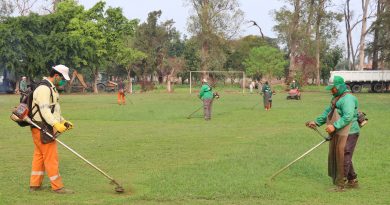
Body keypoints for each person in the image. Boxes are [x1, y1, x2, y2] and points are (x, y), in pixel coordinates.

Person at [306, 76, 360, 192]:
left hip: (350, 131)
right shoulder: (336, 98)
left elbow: (348, 116)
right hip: (340, 131)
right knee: (344, 155)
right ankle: (353, 180)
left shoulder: (348, 99)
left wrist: (334, 126)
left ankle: (341, 185)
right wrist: (316, 122)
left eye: (333, 88)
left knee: (344, 154)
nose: (331, 91)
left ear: (340, 87)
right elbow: (328, 112)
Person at [29, 65, 74, 194]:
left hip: (42, 126)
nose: (63, 82)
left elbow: (54, 109)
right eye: (62, 79)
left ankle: (34, 184)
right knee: (51, 156)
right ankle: (58, 187)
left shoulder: (51, 88)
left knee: (39, 155)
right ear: (56, 76)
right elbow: (45, 111)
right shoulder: (44, 88)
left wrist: (62, 121)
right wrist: (55, 124)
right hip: (41, 127)